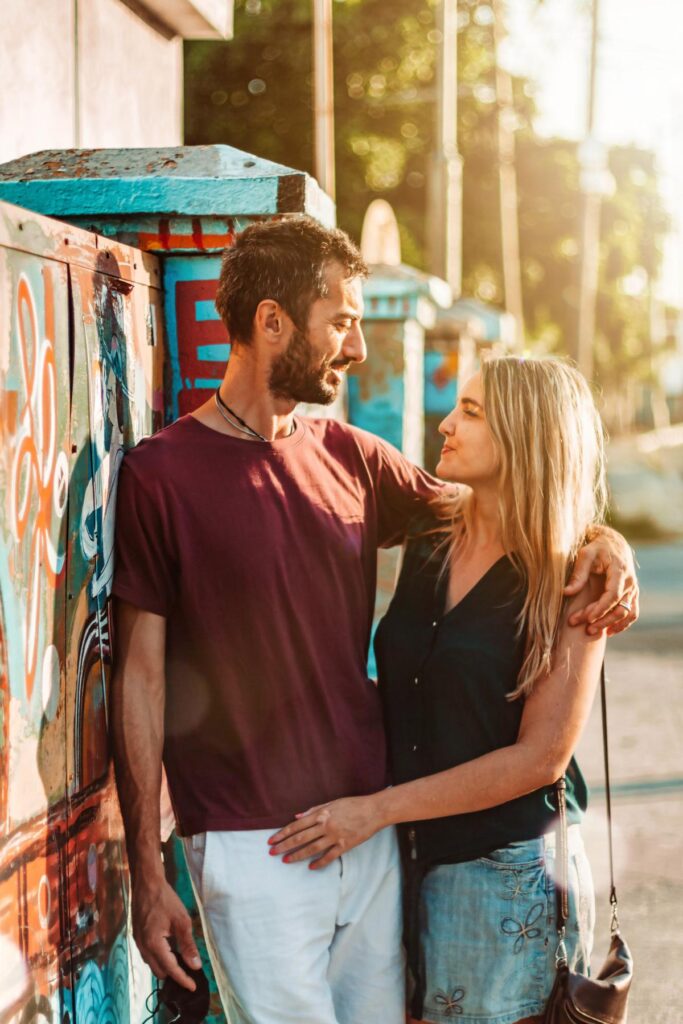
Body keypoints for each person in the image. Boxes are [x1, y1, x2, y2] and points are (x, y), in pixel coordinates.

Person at [111, 218, 637, 1024]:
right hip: (255, 840)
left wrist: (607, 544)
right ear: (272, 322)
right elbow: (140, 680)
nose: (355, 348)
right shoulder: (161, 475)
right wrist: (147, 873)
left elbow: (518, 507)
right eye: (342, 321)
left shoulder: (354, 457)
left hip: (375, 833)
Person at [269, 356, 618, 1024]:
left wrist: (374, 810)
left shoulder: (572, 576)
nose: (447, 423)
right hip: (414, 859)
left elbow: (538, 758)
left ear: (525, 437)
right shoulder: (431, 527)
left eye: (472, 412)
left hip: (508, 871)